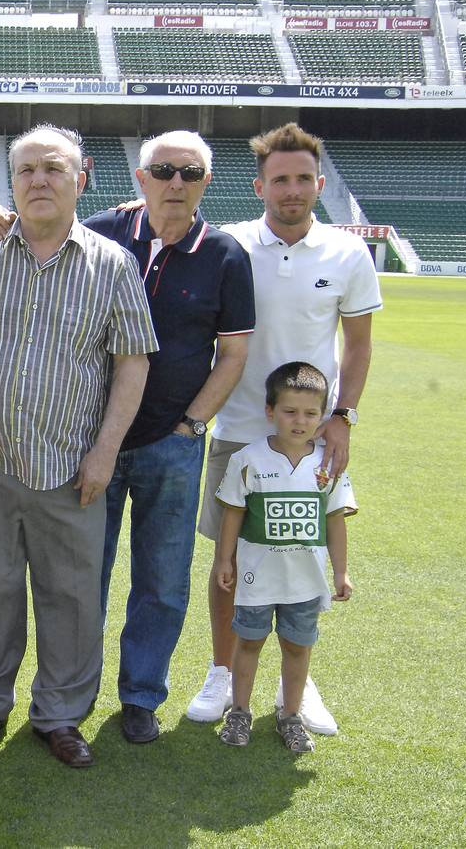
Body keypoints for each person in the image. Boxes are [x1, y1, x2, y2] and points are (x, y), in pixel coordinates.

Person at [0, 131, 254, 744]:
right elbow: (36, 218)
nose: (176, 181)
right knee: (71, 584)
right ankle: (39, 703)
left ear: (206, 179)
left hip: (165, 445)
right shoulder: (99, 230)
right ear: (140, 177)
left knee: (161, 577)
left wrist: (190, 424)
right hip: (70, 446)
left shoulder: (222, 254)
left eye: (190, 171)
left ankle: (135, 697)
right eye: (163, 170)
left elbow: (228, 355)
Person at [0, 125, 157, 768]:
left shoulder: (112, 263)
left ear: (80, 178)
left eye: (53, 168)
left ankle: (60, 715)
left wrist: (106, 451)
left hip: (73, 466)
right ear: (11, 182)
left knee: (71, 595)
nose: (39, 180)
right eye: (27, 169)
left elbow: (133, 361)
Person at [187, 123, 381, 735]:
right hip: (239, 429)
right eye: (280, 180)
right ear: (259, 186)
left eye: (302, 179)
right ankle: (222, 672)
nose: (292, 190)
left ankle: (296, 679)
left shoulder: (347, 253)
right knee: (232, 557)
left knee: (302, 554)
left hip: (310, 437)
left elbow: (357, 346)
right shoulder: (231, 245)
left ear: (319, 184)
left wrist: (342, 417)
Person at [215, 362, 355, 753]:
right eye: (290, 411)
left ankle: (290, 716)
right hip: (257, 577)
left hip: (305, 582)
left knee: (297, 647)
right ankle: (239, 712)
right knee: (249, 644)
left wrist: (341, 571)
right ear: (270, 411)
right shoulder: (249, 459)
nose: (300, 421)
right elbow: (233, 512)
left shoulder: (328, 465)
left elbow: (335, 520)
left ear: (322, 415)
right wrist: (225, 560)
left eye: (311, 413)